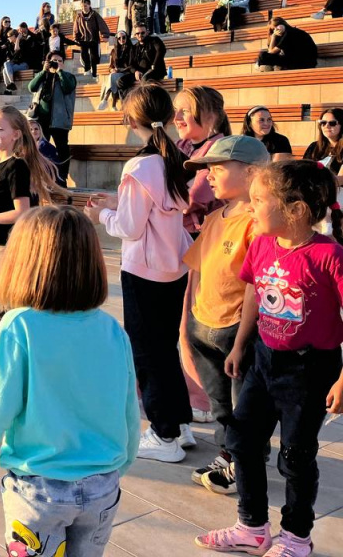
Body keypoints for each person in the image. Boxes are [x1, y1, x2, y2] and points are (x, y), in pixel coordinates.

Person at [0, 205, 138, 556]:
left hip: (40, 488)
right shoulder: (111, 329)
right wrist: (124, 458)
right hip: (103, 484)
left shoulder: (18, 327)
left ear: (23, 261)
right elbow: (127, 404)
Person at [195, 160, 343, 556]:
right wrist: (242, 344)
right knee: (243, 441)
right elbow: (254, 294)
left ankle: (296, 537)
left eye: (259, 200)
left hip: (309, 369)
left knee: (295, 456)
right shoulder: (260, 243)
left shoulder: (329, 255)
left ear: (295, 210)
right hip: (263, 358)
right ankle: (252, 527)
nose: (252, 207)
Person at [85, 83, 194, 462]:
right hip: (172, 267)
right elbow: (161, 207)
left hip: (144, 270)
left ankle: (165, 435)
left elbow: (129, 227)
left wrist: (102, 215)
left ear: (132, 119)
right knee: (165, 348)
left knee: (147, 354)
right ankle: (180, 424)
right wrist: (118, 201)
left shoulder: (140, 165)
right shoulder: (174, 156)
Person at [180, 135, 269, 498]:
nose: (209, 176)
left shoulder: (258, 224)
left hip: (236, 330)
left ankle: (242, 460)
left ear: (250, 174)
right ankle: (228, 454)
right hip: (205, 325)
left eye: (217, 168)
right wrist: (189, 323)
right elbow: (197, 270)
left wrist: (244, 338)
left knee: (242, 404)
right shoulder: (216, 217)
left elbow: (255, 286)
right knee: (220, 403)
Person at [0, 106, 63, 316]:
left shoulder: (17, 166)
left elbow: (21, 212)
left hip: (9, 245)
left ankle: (16, 345)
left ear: (16, 135)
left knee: (12, 304)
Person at [175, 85, 231, 235]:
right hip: (176, 230)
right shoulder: (179, 146)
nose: (176, 118)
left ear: (210, 115)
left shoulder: (219, 150)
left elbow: (191, 201)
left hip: (202, 235)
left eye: (185, 111)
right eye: (176, 110)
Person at [28, 51, 75, 185]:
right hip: (42, 119)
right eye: (54, 60)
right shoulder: (43, 75)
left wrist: (60, 72)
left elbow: (68, 88)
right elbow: (31, 87)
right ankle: (41, 176)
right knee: (40, 148)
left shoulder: (69, 76)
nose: (56, 62)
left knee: (62, 149)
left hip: (59, 120)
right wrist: (43, 71)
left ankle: (62, 177)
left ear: (63, 63)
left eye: (59, 60)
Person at [73, 0, 112, 79]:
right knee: (84, 54)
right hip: (83, 39)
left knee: (94, 56)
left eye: (86, 6)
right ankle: (87, 69)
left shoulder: (94, 14)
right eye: (83, 6)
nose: (84, 8)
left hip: (93, 38)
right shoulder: (79, 16)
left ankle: (94, 73)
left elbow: (101, 24)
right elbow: (76, 28)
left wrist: (104, 34)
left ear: (89, 5)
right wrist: (76, 38)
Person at [302, 107, 343, 176]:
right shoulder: (314, 146)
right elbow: (303, 170)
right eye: (323, 122)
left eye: (332, 123)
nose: (327, 126)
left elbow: (341, 179)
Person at [99, 31, 133, 111]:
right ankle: (112, 105)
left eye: (124, 37)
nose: (121, 39)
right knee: (112, 76)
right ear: (117, 39)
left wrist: (120, 70)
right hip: (116, 74)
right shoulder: (114, 51)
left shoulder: (131, 49)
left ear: (127, 38)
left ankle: (106, 100)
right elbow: (110, 66)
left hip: (127, 73)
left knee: (112, 77)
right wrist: (112, 70)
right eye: (119, 38)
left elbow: (131, 65)